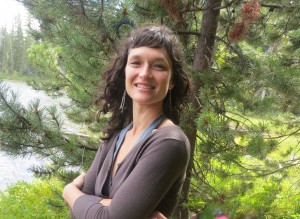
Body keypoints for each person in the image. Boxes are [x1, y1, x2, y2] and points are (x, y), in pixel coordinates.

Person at [63, 24, 192, 219]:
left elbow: (104, 216)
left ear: (172, 80)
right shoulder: (116, 136)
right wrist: (106, 207)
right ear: (125, 72)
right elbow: (78, 214)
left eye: (158, 66)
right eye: (136, 63)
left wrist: (70, 192)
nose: (145, 73)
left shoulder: (170, 142)